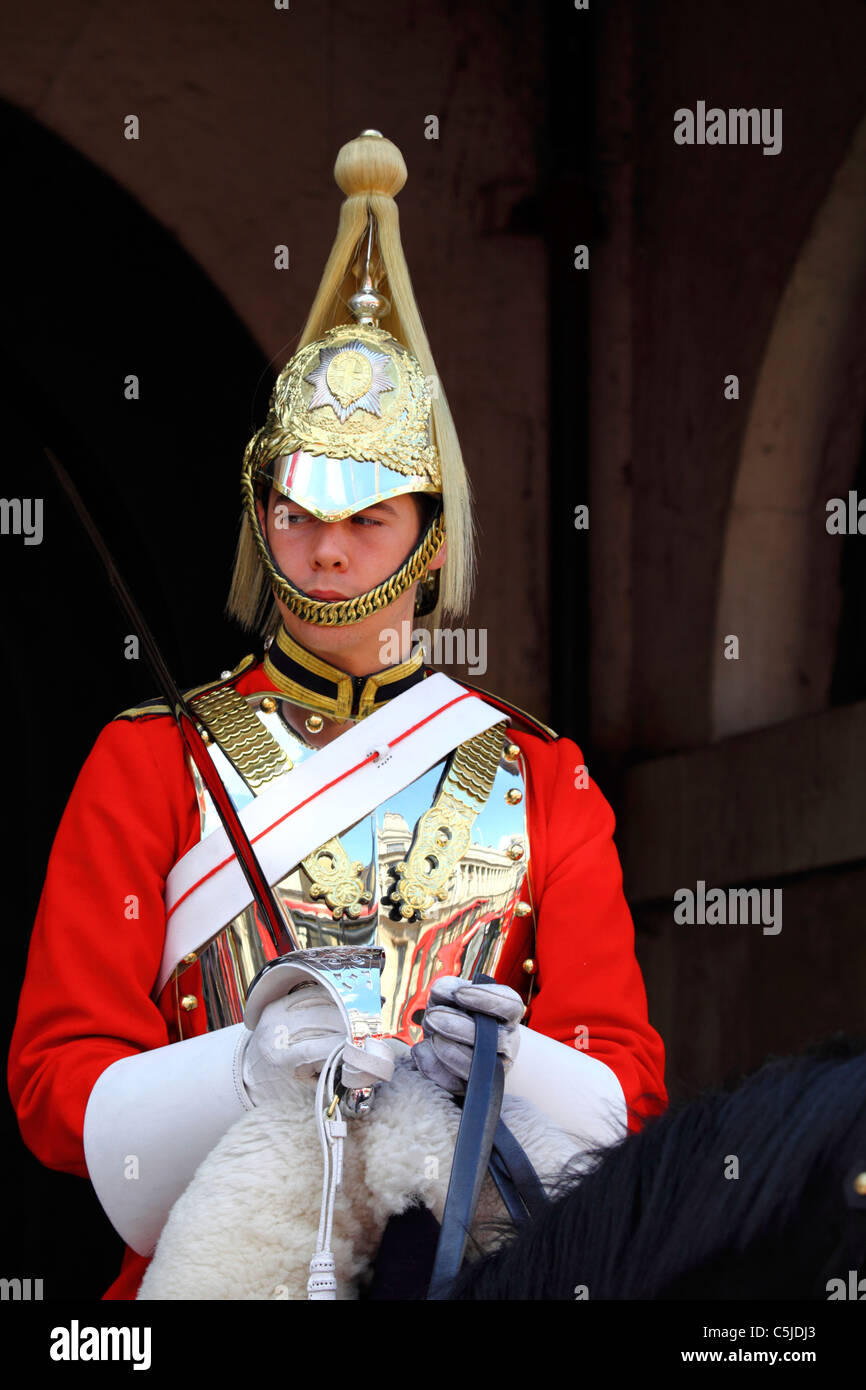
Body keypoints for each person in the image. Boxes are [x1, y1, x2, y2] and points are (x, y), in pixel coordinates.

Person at [8, 131, 666, 1300]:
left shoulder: (540, 774)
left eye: (367, 515)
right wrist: (240, 1069)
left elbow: (624, 1079)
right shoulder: (150, 756)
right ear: (262, 516)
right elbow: (58, 1082)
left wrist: (508, 1071)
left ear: (432, 538)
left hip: (474, 1253)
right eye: (298, 508)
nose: (325, 546)